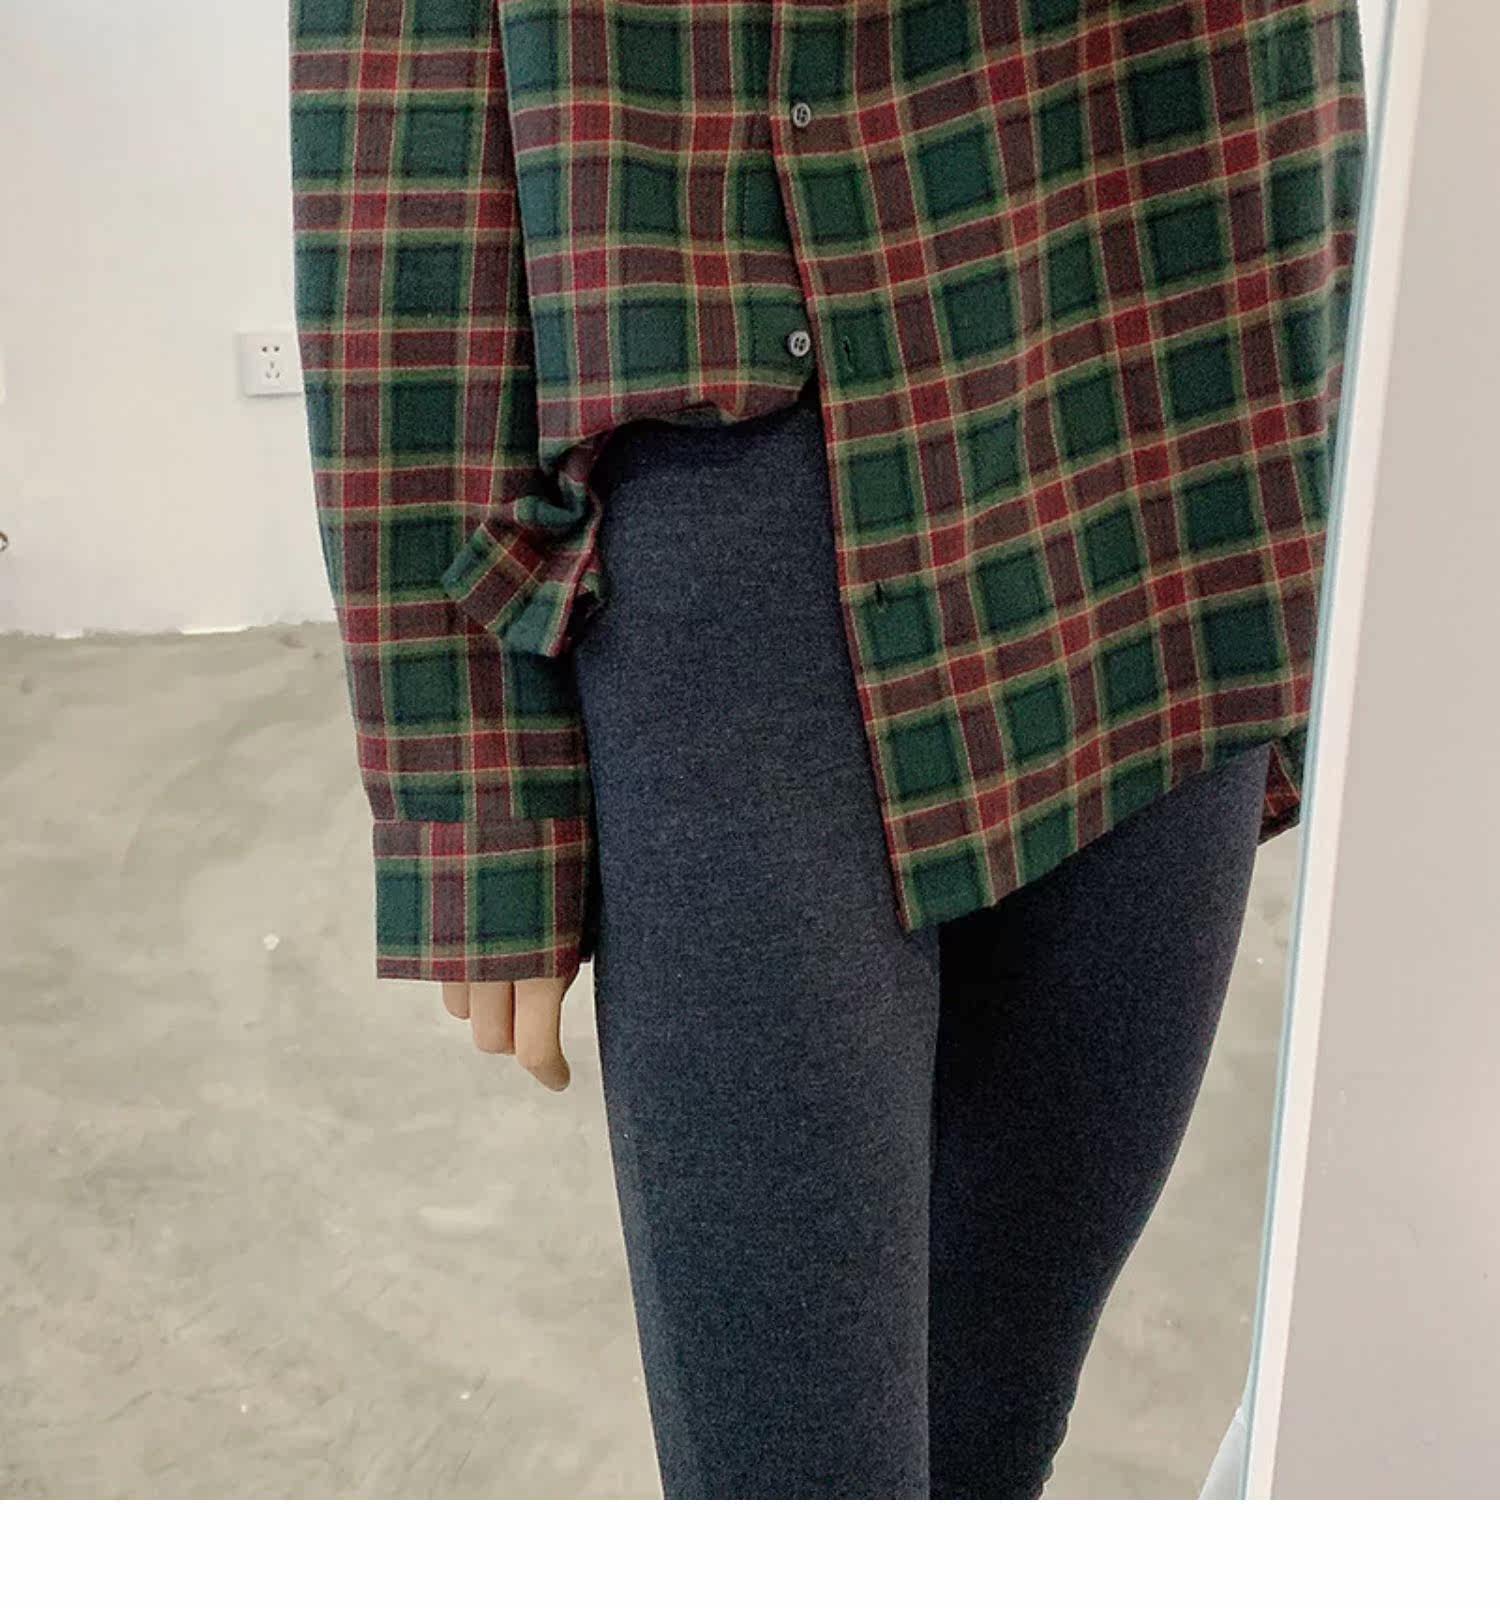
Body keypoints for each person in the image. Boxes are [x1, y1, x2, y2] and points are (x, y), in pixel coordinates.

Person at [289, 0, 1367, 1498]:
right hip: (748, 421)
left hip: (1187, 322)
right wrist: (467, 774)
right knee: (803, 1490)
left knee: (993, 1433)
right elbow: (390, 75)